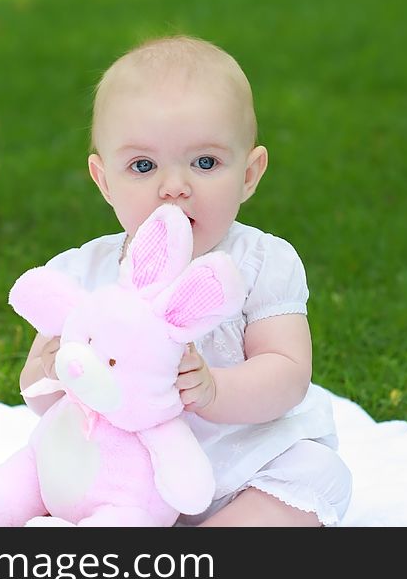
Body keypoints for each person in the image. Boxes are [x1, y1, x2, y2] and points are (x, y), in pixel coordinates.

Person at [18, 35, 351, 526]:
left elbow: (287, 372)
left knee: (318, 476)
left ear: (249, 174)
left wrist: (214, 389)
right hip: (125, 477)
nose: (174, 186)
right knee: (51, 461)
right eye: (143, 166)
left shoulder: (262, 263)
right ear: (104, 180)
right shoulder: (84, 272)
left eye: (205, 162)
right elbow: (37, 390)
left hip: (240, 464)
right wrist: (54, 368)